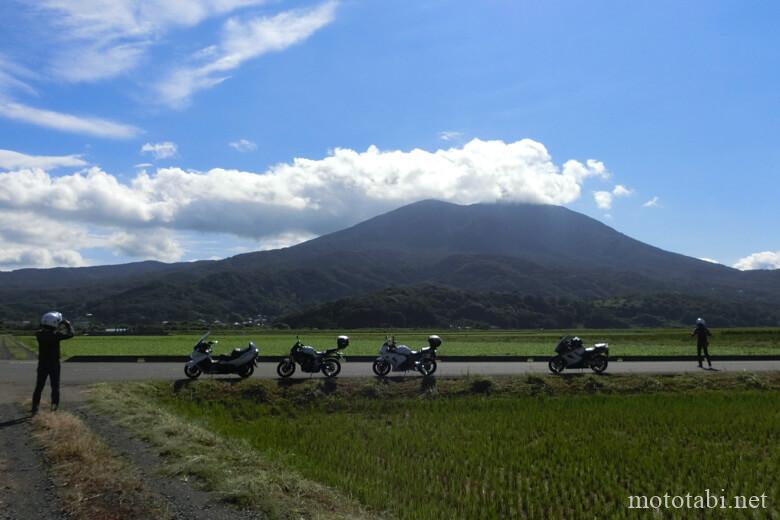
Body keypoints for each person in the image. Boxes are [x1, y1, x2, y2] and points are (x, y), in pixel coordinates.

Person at [31, 311, 74, 415]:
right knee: (55, 386)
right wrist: (67, 324)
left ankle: (35, 406)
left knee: (39, 386)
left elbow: (42, 329)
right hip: (54, 364)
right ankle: (54, 406)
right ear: (54, 323)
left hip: (42, 364)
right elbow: (71, 334)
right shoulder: (56, 335)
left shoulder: (39, 334)